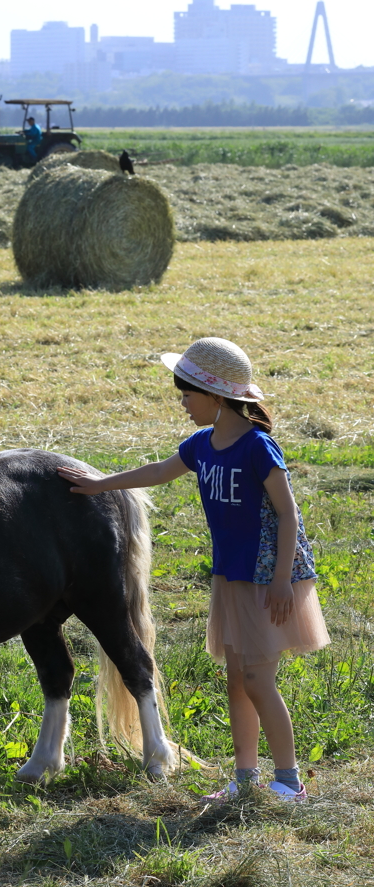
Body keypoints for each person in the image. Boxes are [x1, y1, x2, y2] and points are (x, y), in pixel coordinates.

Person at [58, 336, 329, 802]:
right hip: (231, 576)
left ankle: (289, 781)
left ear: (217, 397)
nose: (183, 403)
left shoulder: (258, 448)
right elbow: (158, 471)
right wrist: (100, 484)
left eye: (187, 394)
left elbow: (288, 513)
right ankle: (244, 779)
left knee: (258, 680)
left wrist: (284, 577)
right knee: (236, 679)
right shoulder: (202, 445)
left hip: (268, 578)